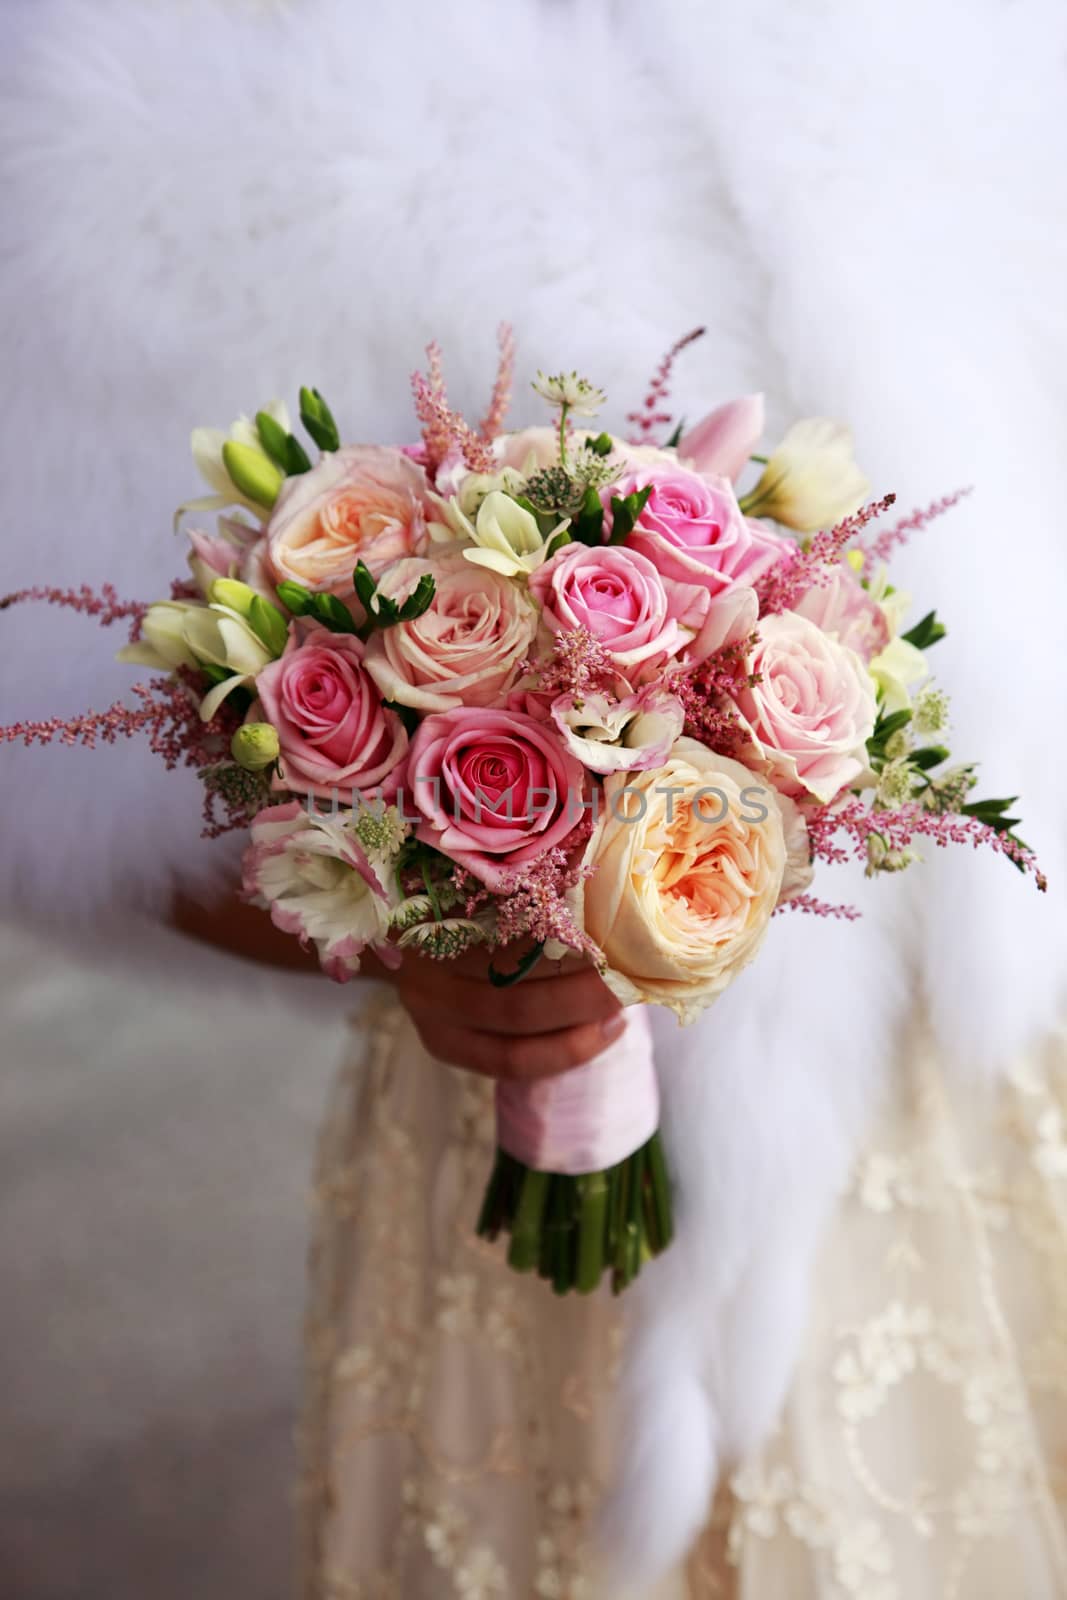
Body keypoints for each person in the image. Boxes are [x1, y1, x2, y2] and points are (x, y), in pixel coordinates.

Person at [5, 0, 1067, 1595]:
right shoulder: (141, 81)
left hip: (994, 1078)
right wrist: (417, 920)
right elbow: (80, 756)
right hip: (526, 1120)